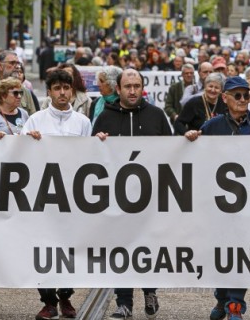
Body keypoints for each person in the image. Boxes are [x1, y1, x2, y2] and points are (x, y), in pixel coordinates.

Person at [184, 76, 250, 320]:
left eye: (245, 95)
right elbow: (196, 159)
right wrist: (191, 140)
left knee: (242, 254)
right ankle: (221, 298)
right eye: (236, 96)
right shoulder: (212, 126)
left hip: (249, 205)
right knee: (220, 255)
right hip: (218, 207)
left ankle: (235, 305)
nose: (241, 100)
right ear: (225, 99)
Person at [93, 68, 169, 319]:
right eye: (128, 86)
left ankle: (150, 291)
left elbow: (172, 151)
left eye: (137, 85)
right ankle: (123, 302)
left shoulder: (157, 116)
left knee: (148, 247)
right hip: (117, 198)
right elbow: (91, 158)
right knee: (120, 249)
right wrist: (99, 141)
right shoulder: (105, 117)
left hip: (150, 198)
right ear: (118, 89)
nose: (133, 90)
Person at [22, 70, 90, 320]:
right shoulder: (35, 120)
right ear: (49, 92)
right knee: (43, 247)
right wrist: (29, 140)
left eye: (67, 88)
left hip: (73, 197)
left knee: (70, 249)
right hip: (43, 196)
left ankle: (65, 295)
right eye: (58, 88)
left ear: (72, 91)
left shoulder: (82, 122)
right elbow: (19, 154)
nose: (63, 93)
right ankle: (48, 300)